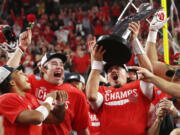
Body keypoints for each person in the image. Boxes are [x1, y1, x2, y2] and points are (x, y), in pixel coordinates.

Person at [5, 27, 90, 135]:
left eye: (61, 65)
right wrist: (22, 47)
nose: (59, 67)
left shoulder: (76, 94)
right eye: (54, 64)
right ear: (43, 68)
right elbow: (8, 74)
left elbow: (82, 129)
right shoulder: (30, 82)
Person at [86, 21, 154, 135]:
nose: (113, 70)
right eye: (109, 70)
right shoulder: (103, 92)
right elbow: (91, 96)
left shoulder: (138, 87)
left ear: (127, 74)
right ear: (106, 78)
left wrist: (134, 41)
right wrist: (97, 62)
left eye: (118, 67)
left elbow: (148, 73)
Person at [0, 64, 68, 135]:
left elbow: (57, 119)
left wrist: (60, 103)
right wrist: (50, 98)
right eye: (20, 73)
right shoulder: (6, 98)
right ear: (12, 82)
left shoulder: (29, 97)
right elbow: (37, 118)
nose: (26, 75)